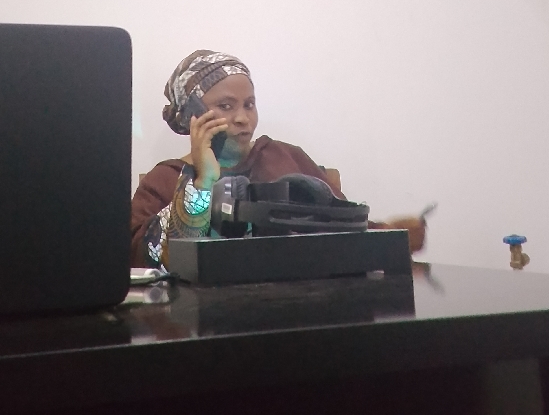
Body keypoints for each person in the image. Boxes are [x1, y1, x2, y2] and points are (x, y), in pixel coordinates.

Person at [131, 50, 426, 269]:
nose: (242, 118)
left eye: (249, 104)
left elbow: (340, 230)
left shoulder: (285, 157)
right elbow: (138, 258)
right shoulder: (166, 178)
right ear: (192, 115)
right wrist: (203, 181)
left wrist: (393, 234)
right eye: (226, 106)